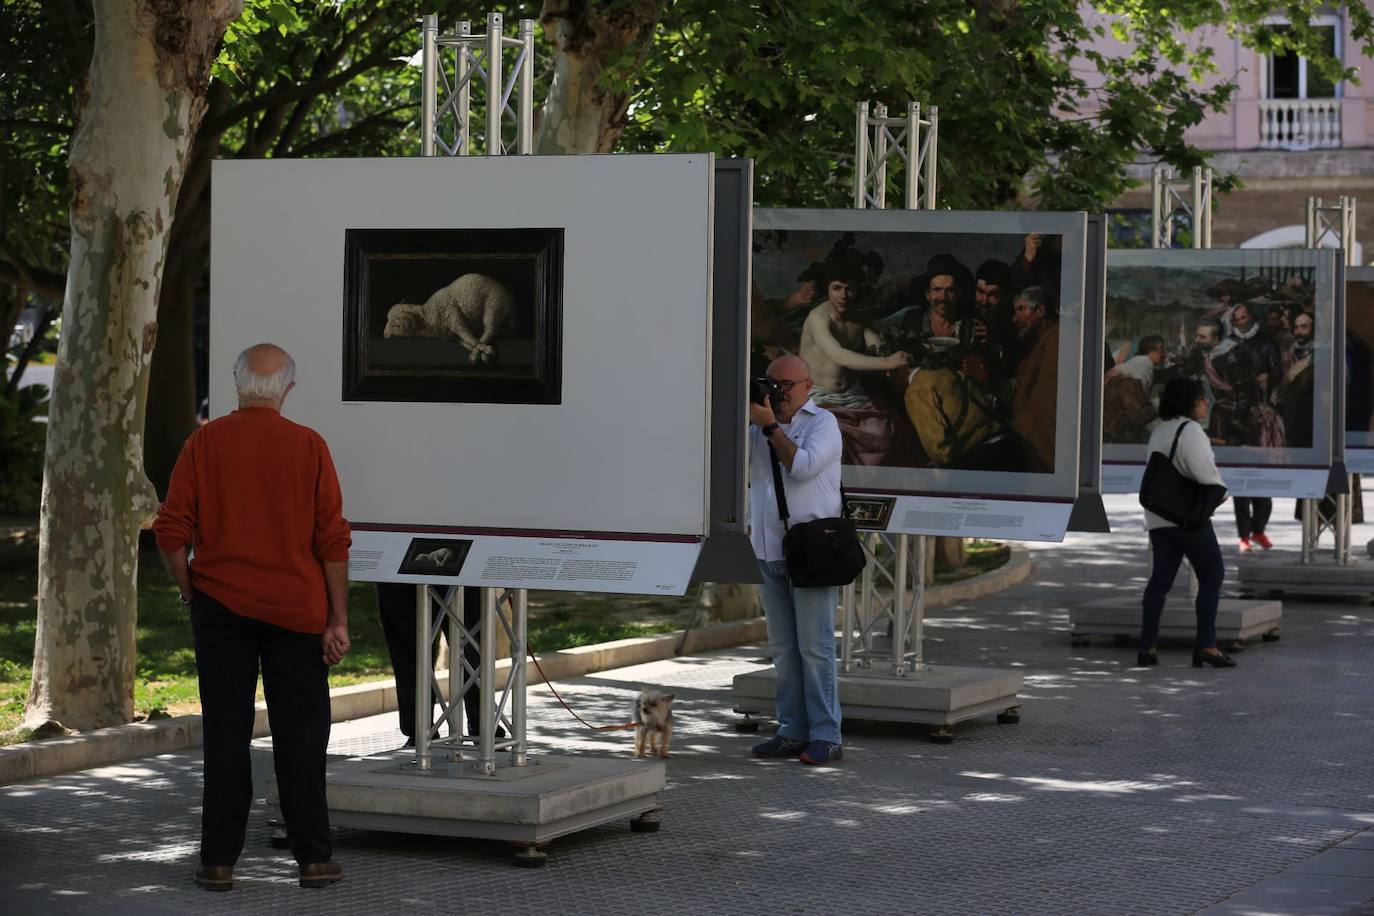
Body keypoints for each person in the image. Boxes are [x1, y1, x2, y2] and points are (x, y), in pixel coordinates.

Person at [153, 343, 350, 891]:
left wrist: (192, 591)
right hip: (296, 612)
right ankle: (313, 859)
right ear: (286, 389)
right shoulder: (309, 446)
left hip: (221, 610)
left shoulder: (203, 443)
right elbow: (332, 540)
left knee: (225, 734)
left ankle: (218, 861)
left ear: (239, 385)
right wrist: (338, 619)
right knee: (302, 736)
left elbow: (171, 532)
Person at [747, 354, 844, 765]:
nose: (779, 392)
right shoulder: (754, 425)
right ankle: (791, 730)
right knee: (784, 649)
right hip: (766, 549)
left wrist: (770, 425)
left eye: (786, 385)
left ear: (807, 386)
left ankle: (826, 735)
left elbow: (802, 467)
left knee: (815, 648)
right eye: (772, 383)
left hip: (812, 553)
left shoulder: (823, 424)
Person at [1138, 377, 1235, 669]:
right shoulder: (1191, 430)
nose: (1206, 402)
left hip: (1159, 517)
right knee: (1212, 574)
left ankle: (1147, 646)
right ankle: (1206, 645)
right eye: (1201, 398)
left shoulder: (1159, 430)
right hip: (1188, 518)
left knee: (1160, 580)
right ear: (1189, 402)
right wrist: (1221, 492)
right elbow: (1205, 474)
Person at [797, 262, 911, 465]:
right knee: (831, 443)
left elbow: (878, 347)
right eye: (837, 288)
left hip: (853, 397)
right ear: (828, 289)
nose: (843, 295)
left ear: (857, 290)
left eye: (849, 289)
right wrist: (888, 362)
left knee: (883, 436)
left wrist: (895, 363)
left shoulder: (858, 319)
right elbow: (839, 355)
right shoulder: (818, 318)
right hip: (819, 397)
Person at [1009, 286, 1059, 473]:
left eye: (1021, 310)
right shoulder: (1045, 340)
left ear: (1040, 310)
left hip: (1043, 451)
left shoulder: (1057, 340)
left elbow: (1046, 408)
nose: (1015, 319)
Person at [1103, 336, 1164, 444]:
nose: (1165, 355)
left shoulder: (1136, 365)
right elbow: (1137, 414)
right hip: (1113, 435)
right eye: (1163, 350)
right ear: (1158, 349)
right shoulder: (1142, 367)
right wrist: (1159, 404)